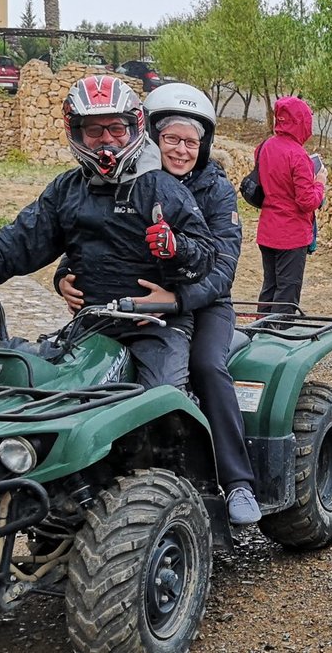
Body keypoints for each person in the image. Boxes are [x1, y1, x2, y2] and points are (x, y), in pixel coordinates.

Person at [55, 82, 262, 526]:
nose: (181, 150)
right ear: (150, 135)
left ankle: (237, 482)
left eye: (191, 142)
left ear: (203, 146)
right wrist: (64, 276)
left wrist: (177, 298)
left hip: (203, 303)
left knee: (207, 366)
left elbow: (222, 267)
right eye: (171, 139)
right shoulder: (123, 178)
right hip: (131, 304)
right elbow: (93, 238)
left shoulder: (216, 190)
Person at [0, 75, 213, 391]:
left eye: (116, 128)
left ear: (133, 128)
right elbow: (22, 238)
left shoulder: (161, 188)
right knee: (41, 389)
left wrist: (176, 247)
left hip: (155, 325)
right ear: (77, 132)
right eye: (94, 130)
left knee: (162, 400)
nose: (106, 139)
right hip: (92, 324)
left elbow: (205, 255)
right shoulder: (67, 190)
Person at [254, 96, 328, 312]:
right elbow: (307, 201)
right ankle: (281, 331)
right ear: (302, 122)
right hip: (291, 235)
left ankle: (261, 328)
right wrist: (319, 183)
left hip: (267, 230)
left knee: (270, 287)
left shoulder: (264, 146)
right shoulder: (298, 156)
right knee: (287, 293)